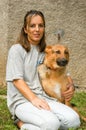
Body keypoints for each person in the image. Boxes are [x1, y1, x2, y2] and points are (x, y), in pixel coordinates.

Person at [6, 10, 80, 130]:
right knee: (52, 124)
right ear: (25, 29)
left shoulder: (45, 51)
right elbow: (17, 81)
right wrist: (34, 99)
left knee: (74, 120)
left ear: (44, 28)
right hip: (22, 101)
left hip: (44, 98)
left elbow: (62, 69)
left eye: (40, 25)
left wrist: (71, 85)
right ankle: (21, 123)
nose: (37, 29)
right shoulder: (17, 50)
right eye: (32, 25)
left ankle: (38, 122)